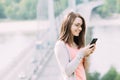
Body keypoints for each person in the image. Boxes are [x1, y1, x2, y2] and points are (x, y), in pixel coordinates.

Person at [54, 12, 96, 80]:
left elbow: (84, 68)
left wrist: (87, 55)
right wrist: (81, 54)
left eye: (81, 26)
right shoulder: (60, 45)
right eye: (77, 25)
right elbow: (67, 72)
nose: (80, 29)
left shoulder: (77, 44)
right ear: (68, 25)